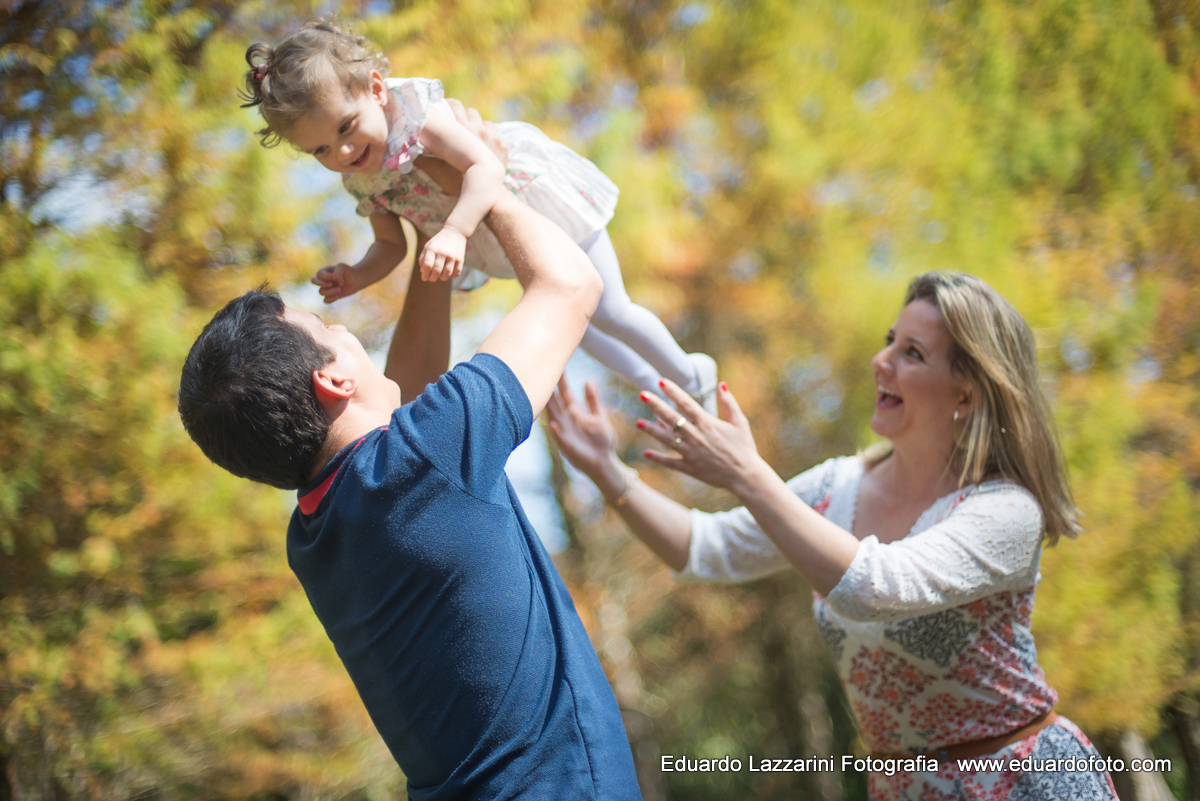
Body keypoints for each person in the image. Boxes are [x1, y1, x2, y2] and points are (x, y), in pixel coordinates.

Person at [177, 106, 641, 799]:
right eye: (330, 327)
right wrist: (482, 179)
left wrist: (431, 227)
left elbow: (409, 400)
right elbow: (571, 284)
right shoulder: (423, 462)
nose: (344, 326)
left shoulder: (317, 530)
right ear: (332, 380)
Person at [546, 271, 1119, 800]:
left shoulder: (1006, 512)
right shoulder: (835, 488)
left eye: (912, 354)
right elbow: (705, 548)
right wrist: (606, 470)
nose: (882, 361)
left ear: (966, 391)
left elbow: (876, 589)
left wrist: (749, 475)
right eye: (890, 340)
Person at [237, 18, 718, 412]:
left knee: (611, 309)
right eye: (321, 148)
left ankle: (691, 375)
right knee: (585, 327)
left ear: (375, 88)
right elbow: (391, 244)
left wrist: (454, 230)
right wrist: (358, 274)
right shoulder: (360, 176)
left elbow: (486, 166)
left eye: (347, 126)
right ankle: (662, 391)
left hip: (537, 201)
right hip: (494, 235)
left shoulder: (416, 116)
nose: (342, 150)